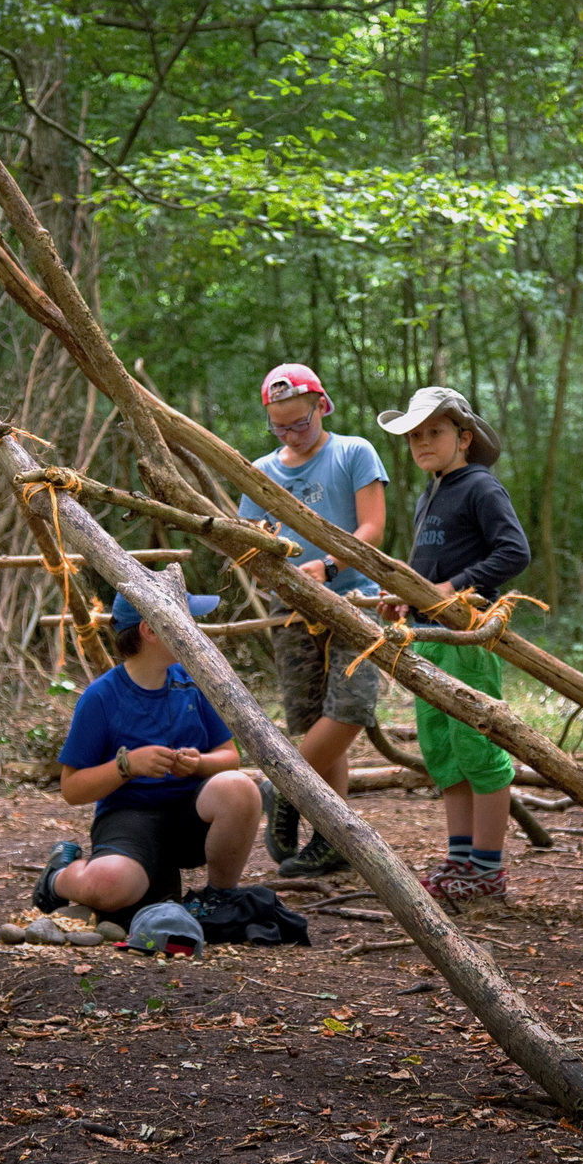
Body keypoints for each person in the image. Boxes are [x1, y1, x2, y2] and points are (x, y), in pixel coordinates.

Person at [377, 387, 529, 905]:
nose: (422, 442)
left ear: (464, 437)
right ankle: (460, 858)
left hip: (467, 635)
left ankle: (488, 869)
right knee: (443, 752)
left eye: (433, 432)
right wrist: (407, 599)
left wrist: (455, 589)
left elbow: (514, 550)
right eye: (415, 435)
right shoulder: (429, 494)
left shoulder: (481, 487)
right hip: (428, 638)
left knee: (478, 747)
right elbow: (428, 570)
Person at [235, 364, 389, 877]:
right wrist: (271, 571)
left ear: (322, 407)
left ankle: (281, 785)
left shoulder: (353, 452)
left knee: (349, 708)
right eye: (280, 428)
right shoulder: (261, 471)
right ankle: (333, 838)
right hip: (292, 612)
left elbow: (372, 527)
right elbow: (250, 540)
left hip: (356, 603)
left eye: (299, 423)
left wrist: (331, 565)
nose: (291, 435)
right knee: (311, 720)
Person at [35, 585, 262, 924]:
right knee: (108, 887)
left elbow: (230, 758)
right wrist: (126, 766)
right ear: (150, 631)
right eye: (184, 621)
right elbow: (72, 789)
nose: (193, 629)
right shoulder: (101, 697)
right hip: (129, 819)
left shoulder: (194, 682)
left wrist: (199, 764)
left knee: (239, 787)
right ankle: (59, 877)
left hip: (190, 816)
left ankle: (219, 897)